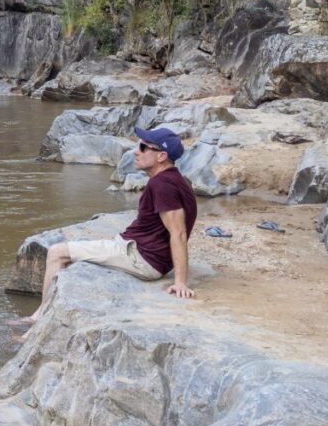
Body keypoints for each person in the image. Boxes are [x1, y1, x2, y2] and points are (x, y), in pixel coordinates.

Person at [17, 126, 198, 328]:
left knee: (56, 252)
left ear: (161, 156)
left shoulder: (162, 185)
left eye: (143, 147)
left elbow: (179, 233)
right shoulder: (174, 179)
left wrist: (180, 282)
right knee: (74, 254)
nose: (136, 151)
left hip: (140, 258)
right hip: (140, 251)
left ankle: (40, 319)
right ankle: (39, 314)